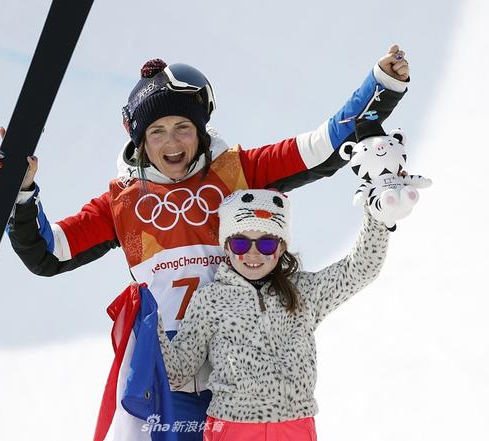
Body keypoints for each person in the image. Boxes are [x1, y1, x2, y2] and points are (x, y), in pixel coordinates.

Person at [0, 45, 409, 440]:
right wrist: (21, 194)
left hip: (243, 374)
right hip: (174, 379)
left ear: (201, 128)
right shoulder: (122, 203)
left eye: (183, 127)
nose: (172, 143)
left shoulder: (237, 172)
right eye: (157, 132)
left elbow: (321, 147)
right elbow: (48, 252)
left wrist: (380, 87)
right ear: (139, 140)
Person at [157, 188, 390, 440]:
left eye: (266, 243)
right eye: (240, 242)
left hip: (294, 426)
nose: (253, 253)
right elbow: (178, 372)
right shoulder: (210, 299)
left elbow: (359, 270)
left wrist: (377, 218)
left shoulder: (302, 291)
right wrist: (152, 324)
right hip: (233, 426)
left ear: (280, 248)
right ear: (226, 247)